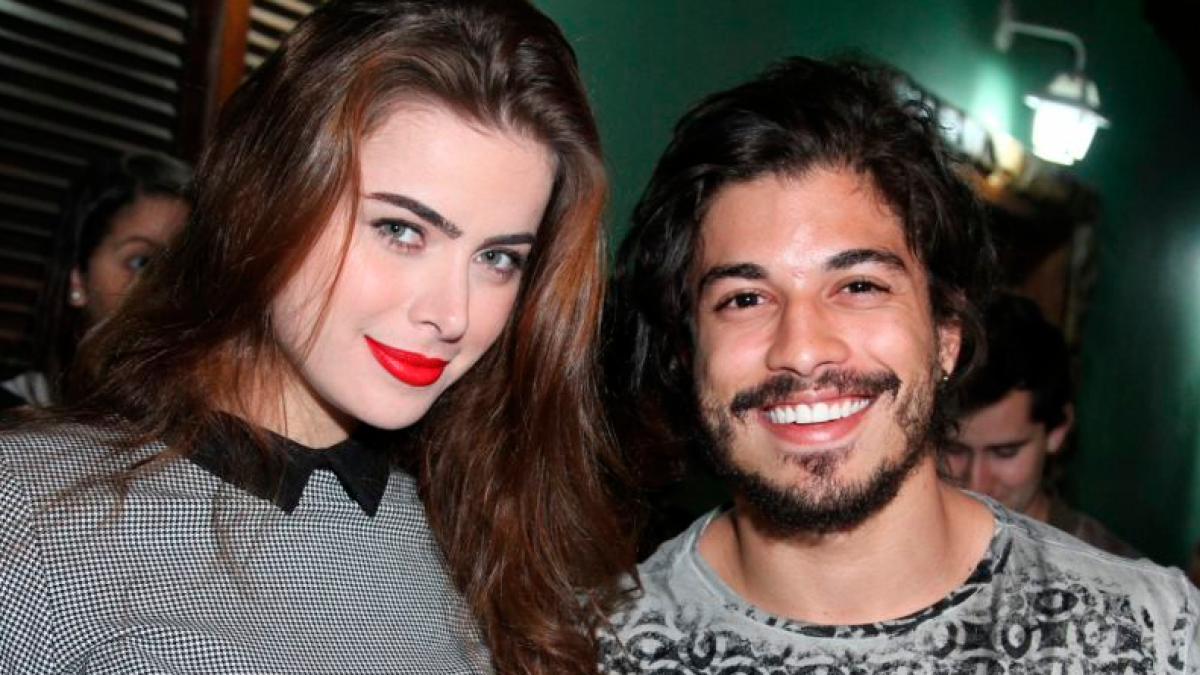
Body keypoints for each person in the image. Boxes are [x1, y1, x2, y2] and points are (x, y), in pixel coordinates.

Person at [0, 1, 633, 673]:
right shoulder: (29, 513)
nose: (453, 314)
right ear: (265, 200)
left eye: (498, 258)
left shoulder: (491, 534)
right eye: (400, 230)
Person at [600, 56, 1198, 672]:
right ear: (688, 355)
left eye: (859, 286)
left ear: (946, 335)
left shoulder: (1150, 640)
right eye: (745, 299)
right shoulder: (591, 654)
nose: (801, 349)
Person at [945, 291, 1139, 557]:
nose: (976, 483)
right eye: (953, 449)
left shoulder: (1109, 571)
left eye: (1005, 452)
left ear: (1057, 431)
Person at [0, 152, 191, 409]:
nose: (167, 286)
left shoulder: (208, 420)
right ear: (78, 277)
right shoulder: (12, 416)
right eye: (141, 262)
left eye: (185, 269)